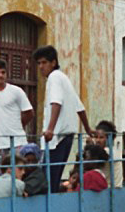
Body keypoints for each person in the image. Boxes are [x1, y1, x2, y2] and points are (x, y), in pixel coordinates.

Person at [33, 45, 94, 191]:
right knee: (54, 177)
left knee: (48, 179)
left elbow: (56, 102)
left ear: (53, 63)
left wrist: (50, 130)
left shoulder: (54, 78)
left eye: (44, 62)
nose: (41, 67)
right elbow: (79, 107)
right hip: (66, 136)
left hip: (56, 138)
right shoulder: (64, 78)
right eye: (39, 63)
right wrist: (88, 129)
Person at [90, 120, 125, 188]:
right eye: (96, 137)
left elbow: (98, 153)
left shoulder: (110, 151)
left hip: (112, 189)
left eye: (101, 137)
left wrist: (90, 146)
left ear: (109, 138)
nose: (97, 140)